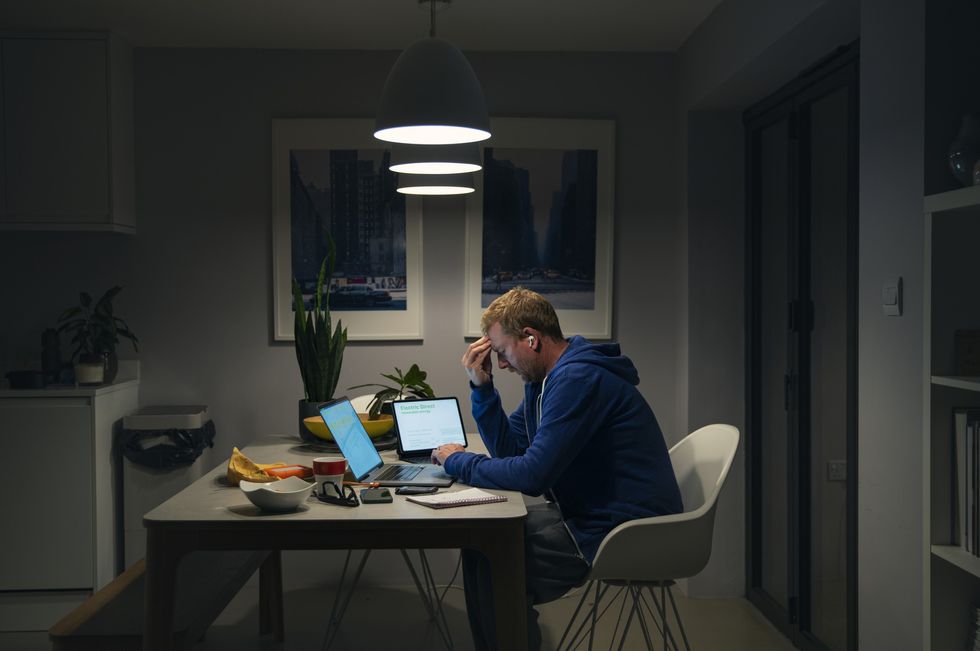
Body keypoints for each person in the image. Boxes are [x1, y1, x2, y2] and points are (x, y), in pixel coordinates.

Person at [431, 287, 683, 651]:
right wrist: (481, 387)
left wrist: (458, 461)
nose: (500, 364)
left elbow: (532, 477)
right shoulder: (545, 380)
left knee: (495, 563)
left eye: (502, 352)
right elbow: (510, 450)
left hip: (626, 529)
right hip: (591, 513)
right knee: (480, 545)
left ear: (530, 338)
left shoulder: (576, 380)